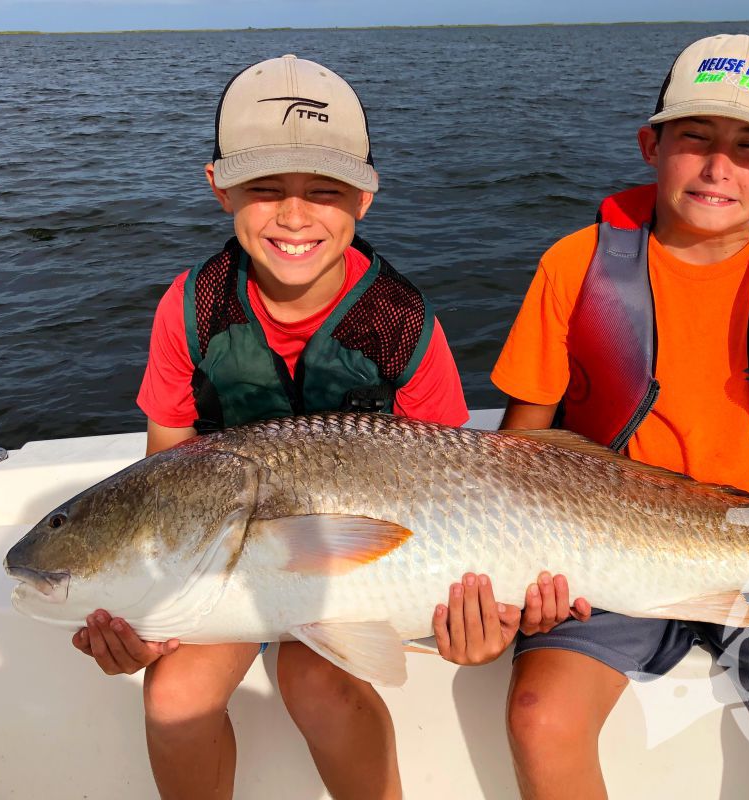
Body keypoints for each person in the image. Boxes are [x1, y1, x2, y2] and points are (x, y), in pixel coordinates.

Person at [65, 54, 558, 800]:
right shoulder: (190, 309)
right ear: (218, 185)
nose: (294, 216)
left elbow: (464, 480)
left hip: (364, 571)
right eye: (265, 189)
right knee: (171, 698)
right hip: (220, 570)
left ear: (365, 197)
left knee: (314, 681)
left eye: (324, 191)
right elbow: (162, 481)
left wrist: (484, 618)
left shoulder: (403, 323)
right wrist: (145, 615)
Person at [490, 34, 749, 799]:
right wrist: (525, 565)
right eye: (695, 138)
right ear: (651, 145)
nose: (719, 168)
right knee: (539, 717)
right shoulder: (571, 264)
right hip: (599, 543)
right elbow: (521, 442)